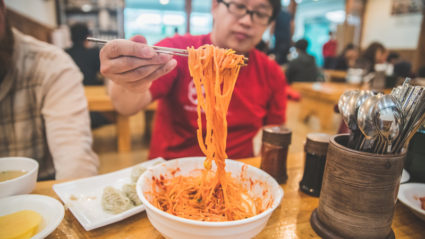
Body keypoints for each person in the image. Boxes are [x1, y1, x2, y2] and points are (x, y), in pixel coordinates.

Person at [100, 0, 287, 160]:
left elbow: (274, 133)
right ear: (215, 6)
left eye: (260, 14)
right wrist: (126, 77)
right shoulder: (177, 50)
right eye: (238, 6)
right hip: (171, 171)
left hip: (237, 172)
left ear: (269, 24)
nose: (247, 21)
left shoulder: (272, 73)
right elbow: (126, 106)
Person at [0, 0, 99, 180]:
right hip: (88, 104)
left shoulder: (56, 62)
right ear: (87, 37)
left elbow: (75, 160)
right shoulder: (93, 54)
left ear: (3, 9)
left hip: (78, 105)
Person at [66, 23, 111, 129]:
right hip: (93, 99)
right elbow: (104, 73)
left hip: (71, 98)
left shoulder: (65, 53)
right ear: (88, 37)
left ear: (70, 38)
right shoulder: (94, 52)